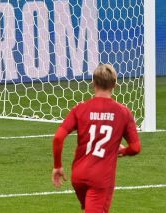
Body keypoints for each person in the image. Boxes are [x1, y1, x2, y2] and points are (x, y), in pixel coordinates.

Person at [52, 63, 141, 213]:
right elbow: (136, 148)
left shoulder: (79, 109)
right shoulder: (123, 113)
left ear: (93, 83)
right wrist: (123, 151)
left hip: (78, 176)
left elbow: (58, 138)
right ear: (115, 85)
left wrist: (57, 166)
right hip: (100, 179)